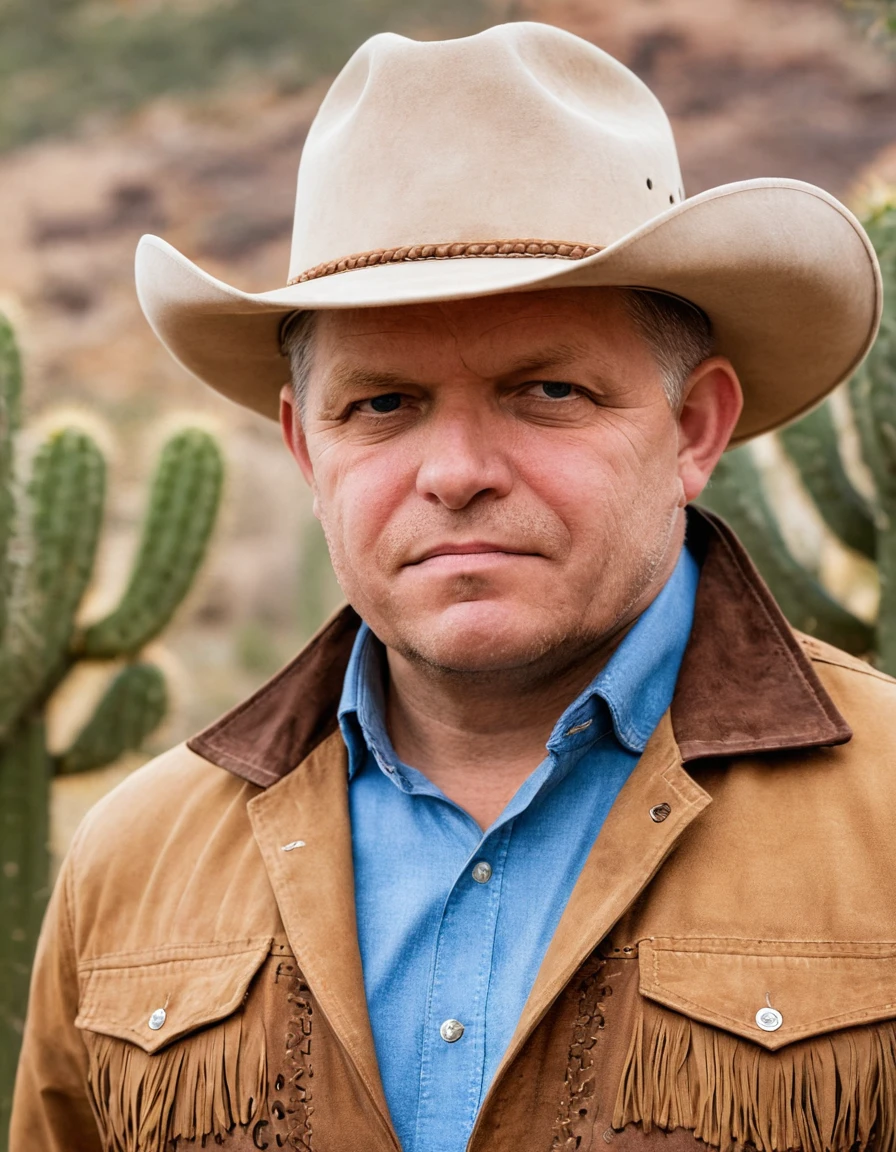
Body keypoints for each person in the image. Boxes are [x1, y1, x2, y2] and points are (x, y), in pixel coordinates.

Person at [10, 20, 892, 1152]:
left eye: (548, 392)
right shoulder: (133, 867)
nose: (456, 474)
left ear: (691, 425)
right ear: (303, 446)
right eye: (380, 405)